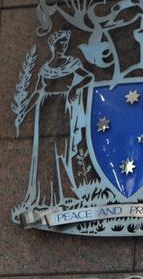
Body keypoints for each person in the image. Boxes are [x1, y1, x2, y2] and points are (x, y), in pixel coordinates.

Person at [22, 30, 93, 209]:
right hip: (44, 107)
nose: (62, 46)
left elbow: (88, 77)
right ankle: (45, 197)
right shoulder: (45, 68)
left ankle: (66, 193)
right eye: (59, 43)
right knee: (45, 149)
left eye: (65, 43)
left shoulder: (72, 63)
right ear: (53, 45)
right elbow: (37, 91)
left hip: (62, 104)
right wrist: (23, 112)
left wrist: (74, 89)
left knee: (62, 148)